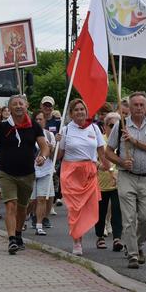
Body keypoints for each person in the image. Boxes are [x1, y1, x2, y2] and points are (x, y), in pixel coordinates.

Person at [0, 95, 49, 255]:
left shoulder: (34, 126)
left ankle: (18, 234)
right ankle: (11, 239)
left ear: (26, 106)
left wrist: (42, 157)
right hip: (6, 173)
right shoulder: (3, 127)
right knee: (10, 205)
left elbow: (44, 147)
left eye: (21, 103)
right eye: (14, 104)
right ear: (9, 109)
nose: (18, 106)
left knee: (22, 208)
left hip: (27, 174)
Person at [105, 92, 146, 269]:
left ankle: (137, 244)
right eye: (135, 105)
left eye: (141, 105)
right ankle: (132, 255)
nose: (138, 108)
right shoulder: (120, 126)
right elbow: (108, 152)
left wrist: (135, 141)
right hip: (127, 177)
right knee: (129, 219)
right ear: (129, 107)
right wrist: (121, 161)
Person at [57, 99, 108, 256]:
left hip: (89, 173)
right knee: (74, 209)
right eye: (76, 110)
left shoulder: (94, 128)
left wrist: (109, 167)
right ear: (71, 113)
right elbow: (59, 156)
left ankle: (80, 235)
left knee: (88, 208)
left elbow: (101, 152)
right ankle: (77, 241)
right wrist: (56, 143)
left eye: (82, 109)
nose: (80, 112)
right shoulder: (66, 130)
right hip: (71, 172)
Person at [95, 112, 123, 252]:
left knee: (117, 210)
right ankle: (100, 236)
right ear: (105, 126)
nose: (114, 128)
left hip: (119, 183)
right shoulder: (100, 140)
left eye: (117, 125)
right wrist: (101, 166)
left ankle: (117, 238)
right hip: (101, 182)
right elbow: (92, 160)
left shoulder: (123, 141)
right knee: (101, 212)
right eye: (111, 125)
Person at [30, 111, 57, 236]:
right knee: (31, 201)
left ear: (45, 121)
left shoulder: (49, 135)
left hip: (45, 171)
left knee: (42, 199)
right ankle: (24, 219)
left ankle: (39, 225)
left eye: (41, 119)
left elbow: (54, 156)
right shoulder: (28, 134)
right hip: (30, 171)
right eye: (36, 119)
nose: (39, 121)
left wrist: (51, 149)